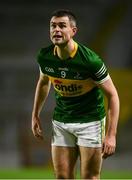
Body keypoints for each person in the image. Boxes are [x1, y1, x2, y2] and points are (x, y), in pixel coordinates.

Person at [31, 9, 120, 179]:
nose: (56, 30)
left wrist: (111, 135)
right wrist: (35, 115)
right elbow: (43, 82)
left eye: (62, 26)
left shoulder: (90, 61)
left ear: (73, 31)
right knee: (62, 177)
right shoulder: (45, 56)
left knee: (89, 177)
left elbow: (113, 95)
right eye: (53, 26)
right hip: (62, 121)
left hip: (90, 122)